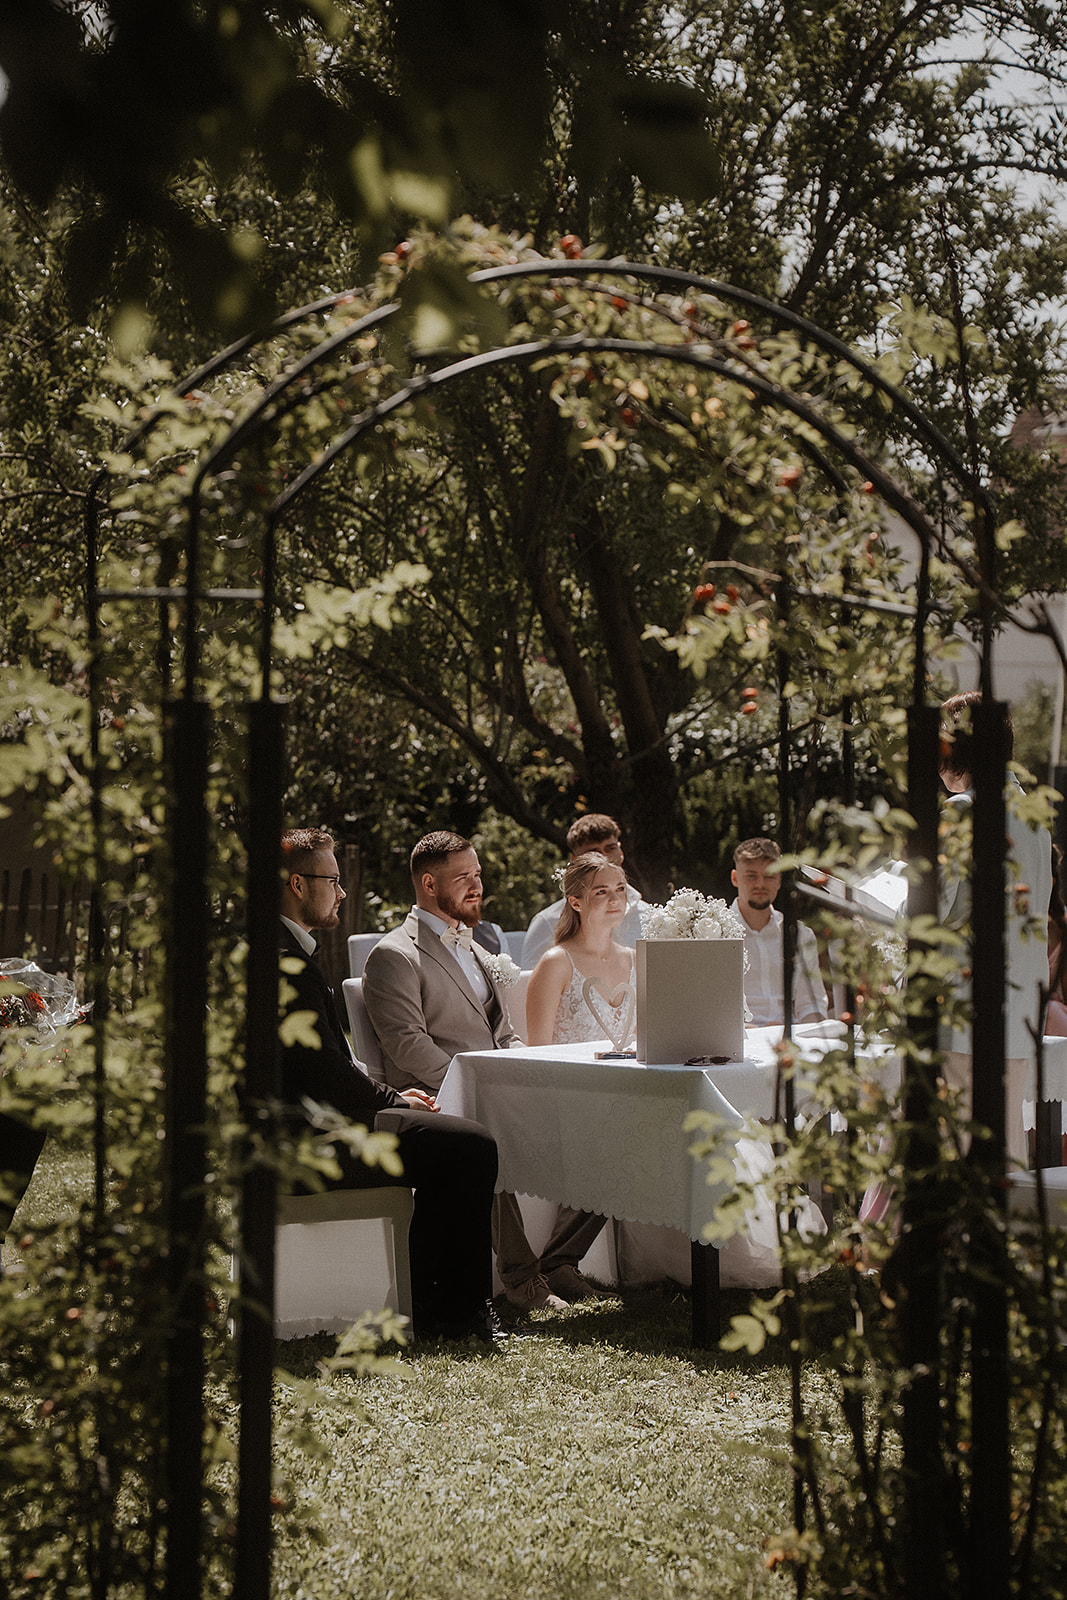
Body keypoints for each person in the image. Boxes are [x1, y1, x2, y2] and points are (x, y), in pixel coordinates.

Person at [278, 827, 501, 1343]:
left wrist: (392, 1099)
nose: (341, 892)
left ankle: (429, 1298)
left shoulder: (290, 952)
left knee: (456, 1142)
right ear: (297, 884)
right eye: (332, 881)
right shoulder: (285, 962)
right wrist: (395, 1098)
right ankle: (455, 1309)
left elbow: (330, 1063)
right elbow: (322, 1074)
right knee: (469, 1147)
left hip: (316, 1123)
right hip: (303, 1142)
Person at [937, 691, 1051, 1165]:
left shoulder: (963, 810)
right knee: (1006, 1143)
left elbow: (933, 910)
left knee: (956, 1146)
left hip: (965, 1003)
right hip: (1020, 1005)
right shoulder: (1035, 819)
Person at [520, 813, 646, 969]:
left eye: (610, 848)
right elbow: (529, 978)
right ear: (575, 860)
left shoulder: (649, 916)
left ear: (620, 851)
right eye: (594, 852)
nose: (604, 857)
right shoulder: (547, 921)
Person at [730, 838, 828, 1027]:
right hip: (740, 1038)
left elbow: (811, 1005)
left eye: (769, 876)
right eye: (751, 876)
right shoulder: (716, 934)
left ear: (779, 880)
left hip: (790, 1035)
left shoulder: (800, 935)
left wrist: (812, 1034)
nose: (760, 884)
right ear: (735, 878)